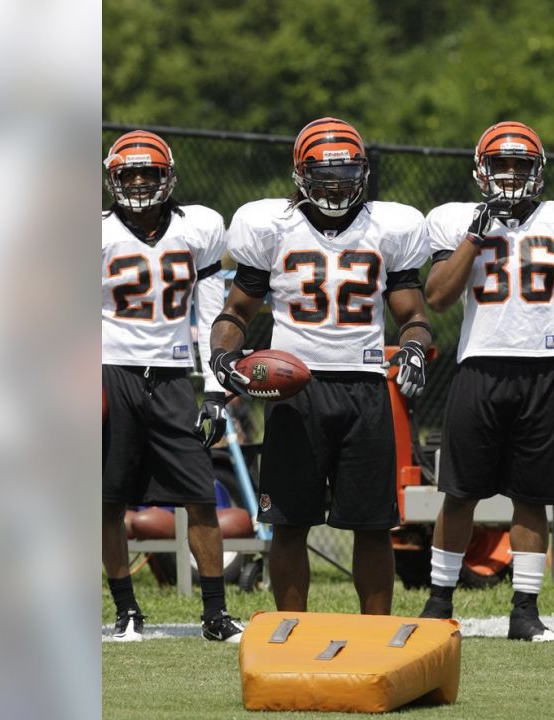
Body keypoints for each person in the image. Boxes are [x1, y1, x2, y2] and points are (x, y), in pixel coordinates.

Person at [209, 117, 431, 615]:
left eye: (347, 170)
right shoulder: (273, 227)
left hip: (366, 386)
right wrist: (223, 353)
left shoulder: (388, 228)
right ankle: (291, 631)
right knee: (289, 523)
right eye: (324, 172)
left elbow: (413, 316)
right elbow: (237, 312)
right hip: (293, 392)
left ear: (364, 171)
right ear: (299, 173)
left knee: (374, 526)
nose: (336, 182)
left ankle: (376, 635)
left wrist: (414, 347)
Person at [418, 121, 554, 641]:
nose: (510, 175)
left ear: (539, 173)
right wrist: (476, 233)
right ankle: (439, 601)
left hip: (546, 368)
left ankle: (525, 612)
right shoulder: (455, 220)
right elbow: (438, 296)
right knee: (461, 493)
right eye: (501, 165)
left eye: (521, 165)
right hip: (480, 365)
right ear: (480, 171)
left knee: (533, 497)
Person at [101, 130, 244, 642]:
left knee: (199, 496)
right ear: (113, 179)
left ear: (169, 177)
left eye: (148, 173)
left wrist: (214, 389)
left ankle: (215, 614)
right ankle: (127, 612)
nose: (139, 183)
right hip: (109, 371)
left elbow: (211, 314)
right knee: (105, 500)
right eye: (129, 174)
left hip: (172, 373)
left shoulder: (199, 227)